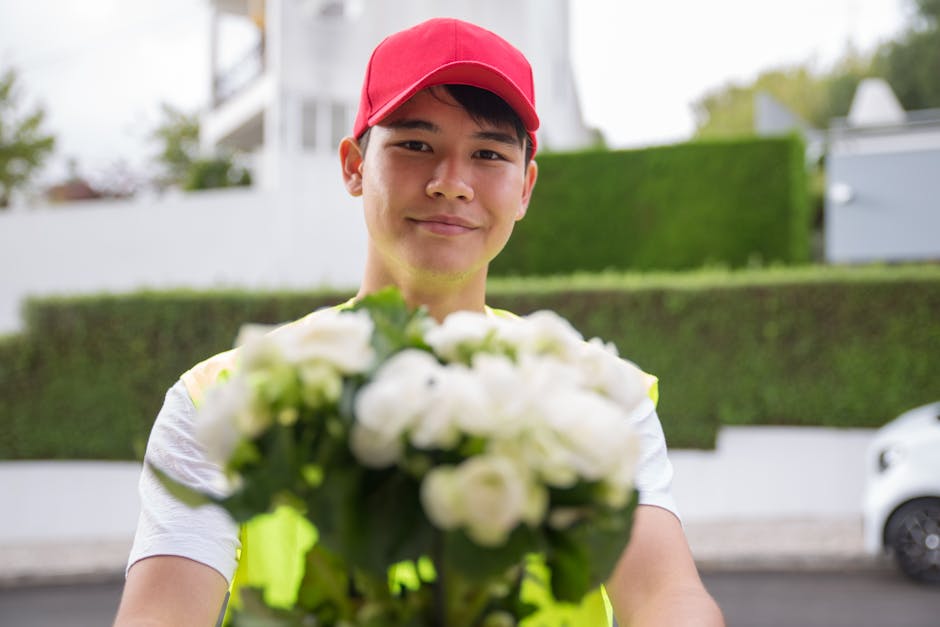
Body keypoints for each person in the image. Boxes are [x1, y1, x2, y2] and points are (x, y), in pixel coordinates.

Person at [114, 17, 724, 627]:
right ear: (354, 166)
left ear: (525, 188)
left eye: (488, 154)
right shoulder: (224, 401)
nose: (451, 184)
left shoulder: (597, 396)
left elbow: (667, 597)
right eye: (415, 145)